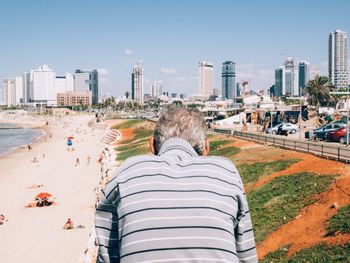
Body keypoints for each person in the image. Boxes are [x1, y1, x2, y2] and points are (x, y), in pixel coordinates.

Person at [95, 106, 257, 263]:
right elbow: (246, 257)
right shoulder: (227, 173)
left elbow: (108, 255)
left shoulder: (126, 172)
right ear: (206, 148)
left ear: (152, 145)